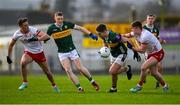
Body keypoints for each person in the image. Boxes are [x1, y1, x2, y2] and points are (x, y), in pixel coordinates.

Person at [46, 12, 99, 92]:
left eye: (61, 19)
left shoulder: (67, 24)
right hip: (62, 52)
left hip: (72, 50)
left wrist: (90, 34)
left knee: (80, 68)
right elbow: (45, 37)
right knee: (68, 70)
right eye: (58, 19)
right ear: (55, 18)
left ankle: (92, 81)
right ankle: (79, 88)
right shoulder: (51, 28)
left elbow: (80, 28)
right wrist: (40, 39)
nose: (60, 20)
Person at [7, 17, 60, 93]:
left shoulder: (33, 30)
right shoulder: (17, 34)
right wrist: (8, 56)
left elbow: (47, 36)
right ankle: (25, 82)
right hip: (29, 53)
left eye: (27, 24)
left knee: (47, 72)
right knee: (23, 63)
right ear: (20, 26)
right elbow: (11, 45)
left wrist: (36, 39)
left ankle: (54, 85)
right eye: (25, 25)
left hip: (39, 53)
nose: (27, 26)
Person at [96, 24, 141, 92]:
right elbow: (105, 43)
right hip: (113, 54)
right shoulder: (103, 36)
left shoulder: (114, 36)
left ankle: (127, 68)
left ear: (105, 31)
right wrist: (104, 50)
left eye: (99, 33)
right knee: (113, 74)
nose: (98, 35)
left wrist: (135, 52)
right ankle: (114, 88)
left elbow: (128, 40)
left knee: (112, 71)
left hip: (122, 53)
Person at [127, 21, 168, 93]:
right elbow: (127, 35)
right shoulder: (137, 32)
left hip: (158, 53)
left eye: (132, 28)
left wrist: (132, 47)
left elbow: (142, 50)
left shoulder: (145, 36)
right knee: (154, 73)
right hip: (151, 54)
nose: (131, 30)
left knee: (143, 67)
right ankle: (165, 86)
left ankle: (139, 86)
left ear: (137, 28)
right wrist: (118, 35)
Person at [143, 14, 166, 88]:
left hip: (157, 50)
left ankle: (158, 82)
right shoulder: (143, 28)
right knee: (149, 69)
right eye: (149, 18)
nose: (150, 20)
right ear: (146, 19)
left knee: (159, 66)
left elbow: (157, 38)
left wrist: (161, 41)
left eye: (152, 18)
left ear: (154, 20)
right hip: (148, 51)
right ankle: (144, 76)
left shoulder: (156, 29)